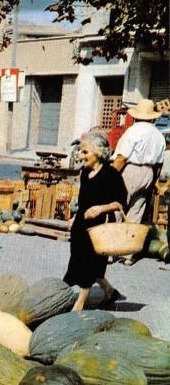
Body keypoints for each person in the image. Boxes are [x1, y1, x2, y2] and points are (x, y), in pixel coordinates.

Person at [63, 131, 128, 311]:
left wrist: (101, 208)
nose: (80, 155)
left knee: (89, 261)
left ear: (98, 152)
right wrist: (75, 216)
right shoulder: (85, 173)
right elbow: (83, 200)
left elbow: (121, 202)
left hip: (100, 226)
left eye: (85, 152)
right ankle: (109, 291)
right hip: (82, 225)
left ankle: (80, 303)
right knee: (77, 257)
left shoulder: (111, 174)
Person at [112, 99, 166, 265]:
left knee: (117, 207)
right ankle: (128, 255)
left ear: (136, 116)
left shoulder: (133, 131)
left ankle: (110, 251)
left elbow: (122, 157)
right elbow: (159, 164)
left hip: (131, 170)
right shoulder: (159, 135)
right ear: (152, 118)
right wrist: (154, 181)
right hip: (148, 173)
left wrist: (110, 175)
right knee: (136, 213)